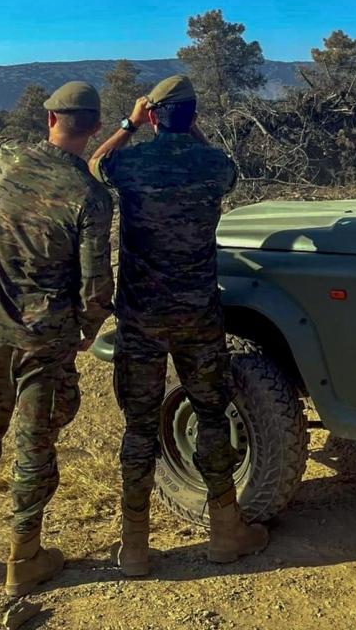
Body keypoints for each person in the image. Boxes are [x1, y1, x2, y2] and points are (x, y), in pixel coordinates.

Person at [0, 81, 114, 597]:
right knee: (35, 448)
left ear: (49, 118)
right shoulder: (92, 197)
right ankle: (23, 558)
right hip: (48, 340)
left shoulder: (8, 162)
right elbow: (97, 283)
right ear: (95, 127)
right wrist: (88, 327)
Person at [88, 75, 268, 577]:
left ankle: (135, 546)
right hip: (197, 314)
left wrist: (129, 123)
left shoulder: (131, 162)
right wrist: (194, 132)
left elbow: (95, 164)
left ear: (153, 116)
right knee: (211, 415)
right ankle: (225, 532)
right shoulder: (212, 165)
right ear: (192, 117)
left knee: (139, 424)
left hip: (141, 317)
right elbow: (226, 169)